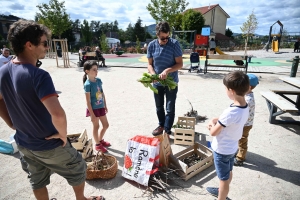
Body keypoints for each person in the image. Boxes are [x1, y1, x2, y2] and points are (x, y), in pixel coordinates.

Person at [0, 20, 104, 200]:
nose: (47, 47)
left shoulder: (2, 71)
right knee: (78, 167)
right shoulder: (38, 75)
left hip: (24, 142)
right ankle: (82, 199)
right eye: (44, 43)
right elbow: (57, 114)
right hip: (47, 143)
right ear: (29, 45)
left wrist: (11, 123)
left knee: (37, 179)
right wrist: (63, 135)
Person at [206, 70, 250, 200]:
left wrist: (210, 124)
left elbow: (213, 132)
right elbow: (230, 120)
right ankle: (221, 191)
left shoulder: (230, 112)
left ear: (231, 91)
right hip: (232, 148)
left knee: (223, 179)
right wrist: (218, 119)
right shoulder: (245, 105)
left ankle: (222, 196)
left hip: (222, 150)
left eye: (226, 88)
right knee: (228, 173)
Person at [147, 21, 183, 136]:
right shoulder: (152, 45)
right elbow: (149, 64)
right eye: (163, 38)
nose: (166, 40)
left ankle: (167, 130)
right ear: (157, 34)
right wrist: (153, 74)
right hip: (157, 82)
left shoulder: (175, 44)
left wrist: (167, 70)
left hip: (171, 82)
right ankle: (161, 125)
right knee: (159, 106)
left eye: (167, 37)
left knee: (170, 107)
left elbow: (180, 64)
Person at [83, 60, 110, 153]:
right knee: (96, 126)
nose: (96, 71)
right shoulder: (87, 85)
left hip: (101, 107)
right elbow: (88, 101)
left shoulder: (98, 81)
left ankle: (100, 139)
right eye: (94, 69)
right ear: (87, 71)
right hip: (93, 109)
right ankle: (98, 145)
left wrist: (105, 105)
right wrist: (92, 114)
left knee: (106, 125)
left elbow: (102, 94)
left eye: (97, 69)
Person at [234, 74, 258, 166]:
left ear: (249, 87)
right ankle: (238, 152)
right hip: (244, 123)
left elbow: (240, 110)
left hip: (245, 124)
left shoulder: (248, 99)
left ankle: (240, 159)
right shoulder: (247, 95)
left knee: (242, 140)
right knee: (238, 138)